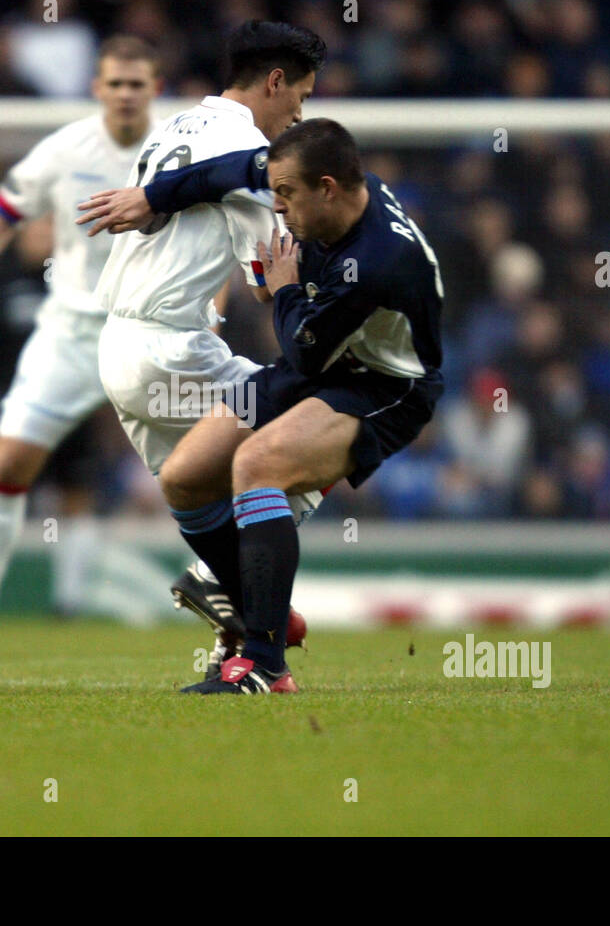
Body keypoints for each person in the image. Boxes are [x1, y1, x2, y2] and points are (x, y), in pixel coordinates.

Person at [81, 118, 446, 693]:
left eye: (286, 195)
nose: (275, 208)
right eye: (273, 191)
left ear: (327, 187)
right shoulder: (326, 181)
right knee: (183, 479)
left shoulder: (379, 260)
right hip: (323, 361)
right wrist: (150, 196)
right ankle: (252, 604)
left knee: (257, 467)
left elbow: (302, 350)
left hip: (380, 386)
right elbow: (226, 173)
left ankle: (264, 661)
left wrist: (284, 288)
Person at [80, 21, 326, 680]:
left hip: (120, 350)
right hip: (173, 351)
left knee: (204, 494)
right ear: (274, 82)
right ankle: (227, 592)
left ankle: (242, 650)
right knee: (330, 416)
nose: (300, 112)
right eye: (300, 95)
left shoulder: (175, 127)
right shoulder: (249, 148)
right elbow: (266, 270)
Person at [0, 36, 169, 654]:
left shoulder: (182, 149)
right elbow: (7, 204)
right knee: (7, 467)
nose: (126, 94)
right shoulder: (65, 148)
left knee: (216, 468)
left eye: (137, 83)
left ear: (155, 88)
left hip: (158, 331)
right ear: (97, 89)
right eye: (116, 83)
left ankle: (247, 621)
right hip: (73, 333)